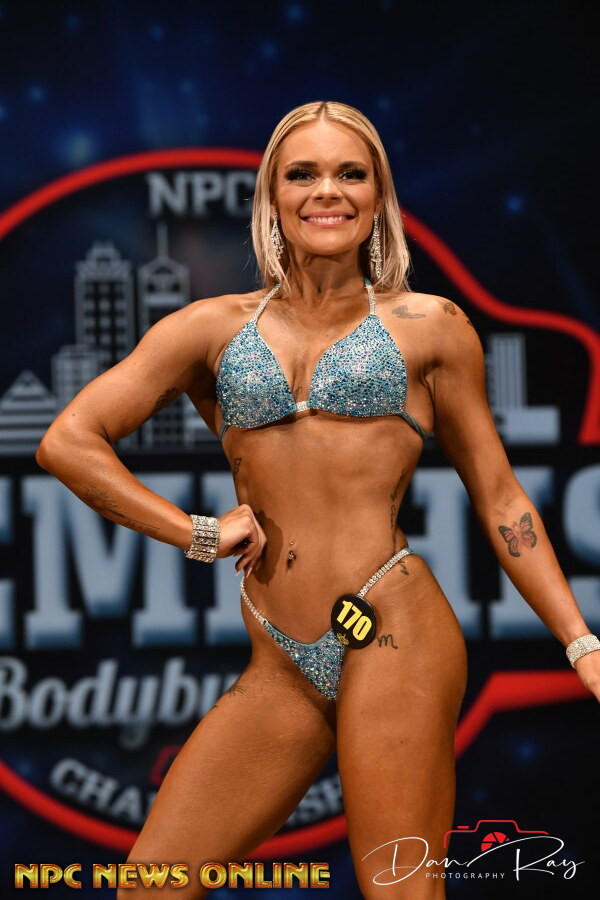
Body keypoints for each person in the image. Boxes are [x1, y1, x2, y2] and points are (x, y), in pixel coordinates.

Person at [36, 100, 600, 899]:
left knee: (399, 892)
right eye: (302, 174)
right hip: (280, 657)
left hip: (392, 631)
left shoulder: (430, 327)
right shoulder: (208, 328)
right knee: (150, 887)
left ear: (377, 195)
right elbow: (67, 441)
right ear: (272, 195)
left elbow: (502, 498)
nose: (326, 191)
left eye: (350, 173)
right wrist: (196, 533)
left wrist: (581, 644)